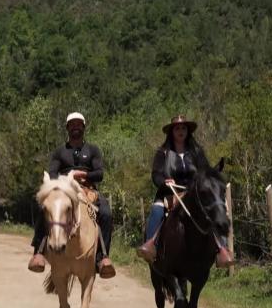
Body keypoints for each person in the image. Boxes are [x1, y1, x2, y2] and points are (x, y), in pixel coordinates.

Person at [27, 112, 116, 279]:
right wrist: (69, 177)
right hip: (64, 189)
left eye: (78, 124)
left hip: (88, 189)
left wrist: (84, 175)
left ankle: (102, 258)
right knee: (42, 208)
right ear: (67, 128)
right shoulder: (60, 152)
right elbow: (52, 174)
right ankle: (38, 252)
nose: (76, 127)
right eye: (72, 124)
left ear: (83, 127)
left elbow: (100, 174)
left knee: (106, 213)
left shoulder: (93, 150)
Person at [136, 115, 233, 267]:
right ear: (171, 132)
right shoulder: (163, 152)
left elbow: (205, 172)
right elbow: (155, 175)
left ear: (188, 131)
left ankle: (222, 249)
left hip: (193, 194)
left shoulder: (197, 151)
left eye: (183, 128)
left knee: (217, 208)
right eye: (177, 128)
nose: (181, 131)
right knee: (156, 209)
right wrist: (164, 182)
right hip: (170, 193)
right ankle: (150, 245)